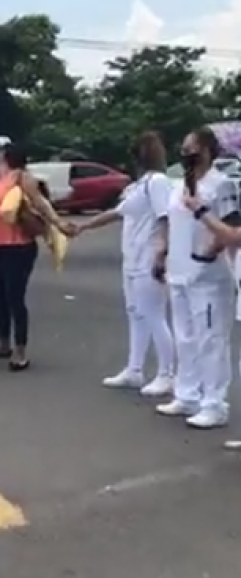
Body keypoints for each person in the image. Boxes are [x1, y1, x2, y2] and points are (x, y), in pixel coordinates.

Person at [74, 131, 175, 396]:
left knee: (154, 315)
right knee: (136, 313)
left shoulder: (158, 183)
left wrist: (162, 253)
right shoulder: (137, 187)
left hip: (149, 257)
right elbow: (116, 214)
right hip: (132, 258)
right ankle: (135, 368)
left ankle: (167, 373)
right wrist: (83, 227)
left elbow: (165, 218)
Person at [154, 126, 241, 429]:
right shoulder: (179, 186)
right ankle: (187, 393)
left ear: (206, 150)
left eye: (191, 147)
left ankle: (214, 404)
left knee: (211, 340)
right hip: (179, 273)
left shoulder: (222, 184)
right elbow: (170, 221)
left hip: (209, 276)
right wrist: (162, 254)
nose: (186, 152)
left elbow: (232, 227)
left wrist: (212, 248)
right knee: (186, 337)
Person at [0, 144, 75, 370]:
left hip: (17, 246)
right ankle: (3, 343)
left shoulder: (22, 178)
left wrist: (58, 223)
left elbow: (41, 204)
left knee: (15, 297)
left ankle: (20, 350)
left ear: (4, 157)